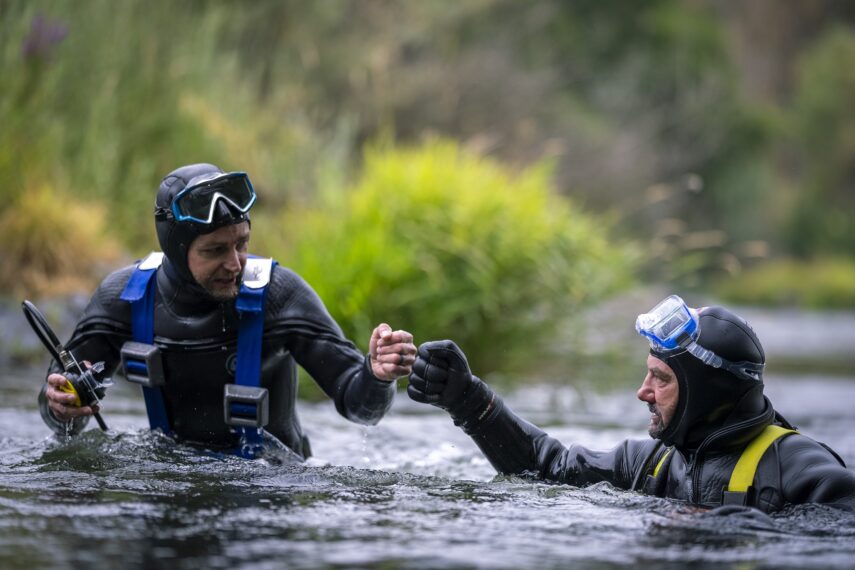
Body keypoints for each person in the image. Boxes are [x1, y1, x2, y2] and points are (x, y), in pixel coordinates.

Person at [40, 163, 416, 458]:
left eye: (242, 244)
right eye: (214, 250)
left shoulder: (280, 297)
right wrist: (62, 407)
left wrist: (378, 376)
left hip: (270, 492)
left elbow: (359, 406)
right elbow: (59, 410)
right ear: (176, 249)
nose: (235, 263)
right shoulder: (125, 297)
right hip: (168, 484)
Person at [407, 295, 855, 513]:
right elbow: (546, 467)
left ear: (706, 392)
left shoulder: (800, 471)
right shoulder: (652, 462)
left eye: (660, 379)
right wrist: (468, 401)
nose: (642, 392)